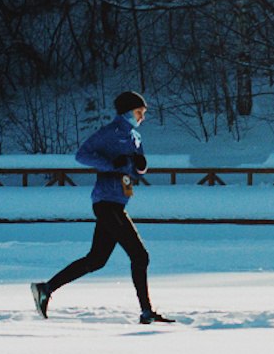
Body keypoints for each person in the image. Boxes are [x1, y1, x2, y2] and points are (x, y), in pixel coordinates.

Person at [31, 90, 174, 323]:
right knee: (140, 256)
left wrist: (141, 166)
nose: (142, 117)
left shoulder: (135, 137)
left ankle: (45, 289)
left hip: (118, 201)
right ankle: (146, 312)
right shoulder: (109, 133)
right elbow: (82, 155)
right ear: (128, 112)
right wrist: (109, 164)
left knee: (97, 260)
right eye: (140, 112)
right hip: (107, 203)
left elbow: (137, 169)